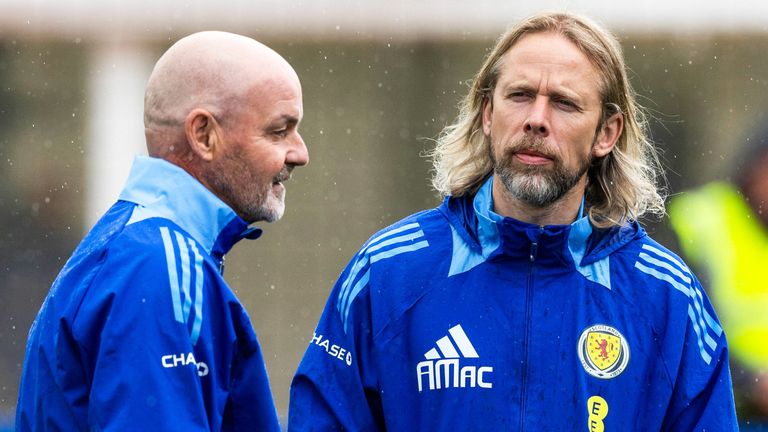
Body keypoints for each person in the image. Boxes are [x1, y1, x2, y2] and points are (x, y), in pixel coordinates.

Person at [289, 12, 737, 431]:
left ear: (607, 133)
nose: (536, 120)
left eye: (564, 103)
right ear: (488, 114)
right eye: (520, 96)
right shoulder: (388, 273)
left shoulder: (666, 296)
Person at [16, 31, 308, 431]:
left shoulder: (138, 249)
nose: (300, 153)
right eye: (279, 131)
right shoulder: (158, 264)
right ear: (204, 134)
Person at [669, 123, 768, 424]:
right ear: (755, 167)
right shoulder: (702, 218)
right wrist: (751, 381)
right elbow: (682, 325)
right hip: (722, 410)